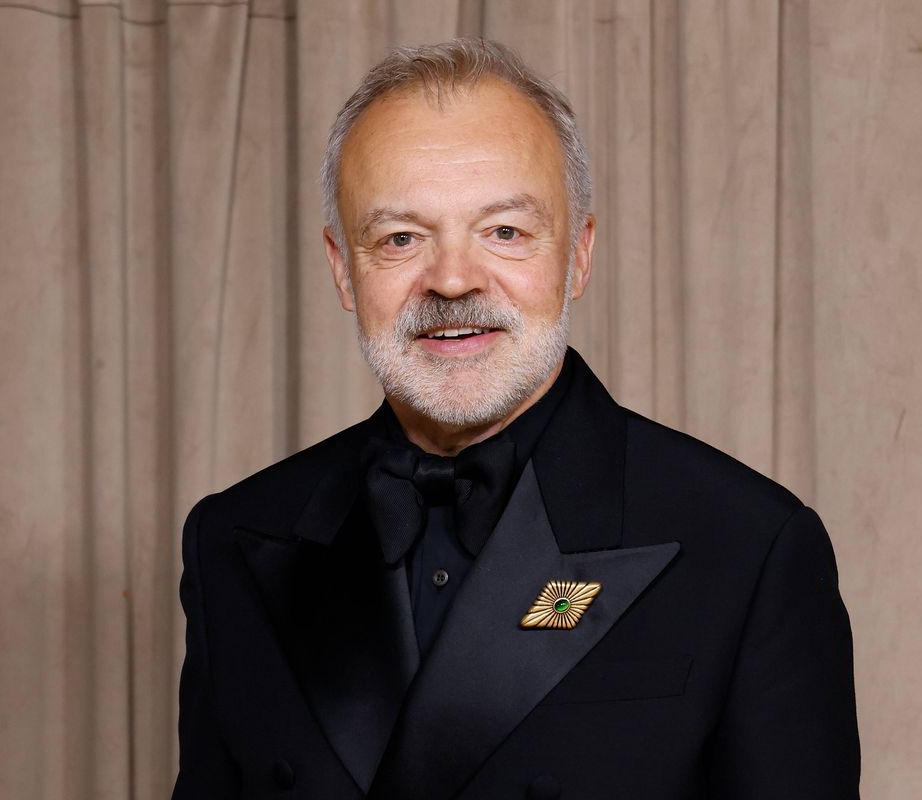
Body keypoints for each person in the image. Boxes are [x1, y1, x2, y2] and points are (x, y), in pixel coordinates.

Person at [172, 37, 860, 800]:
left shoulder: (749, 546)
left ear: (579, 256)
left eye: (504, 231)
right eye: (401, 238)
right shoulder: (233, 540)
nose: (453, 280)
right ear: (343, 268)